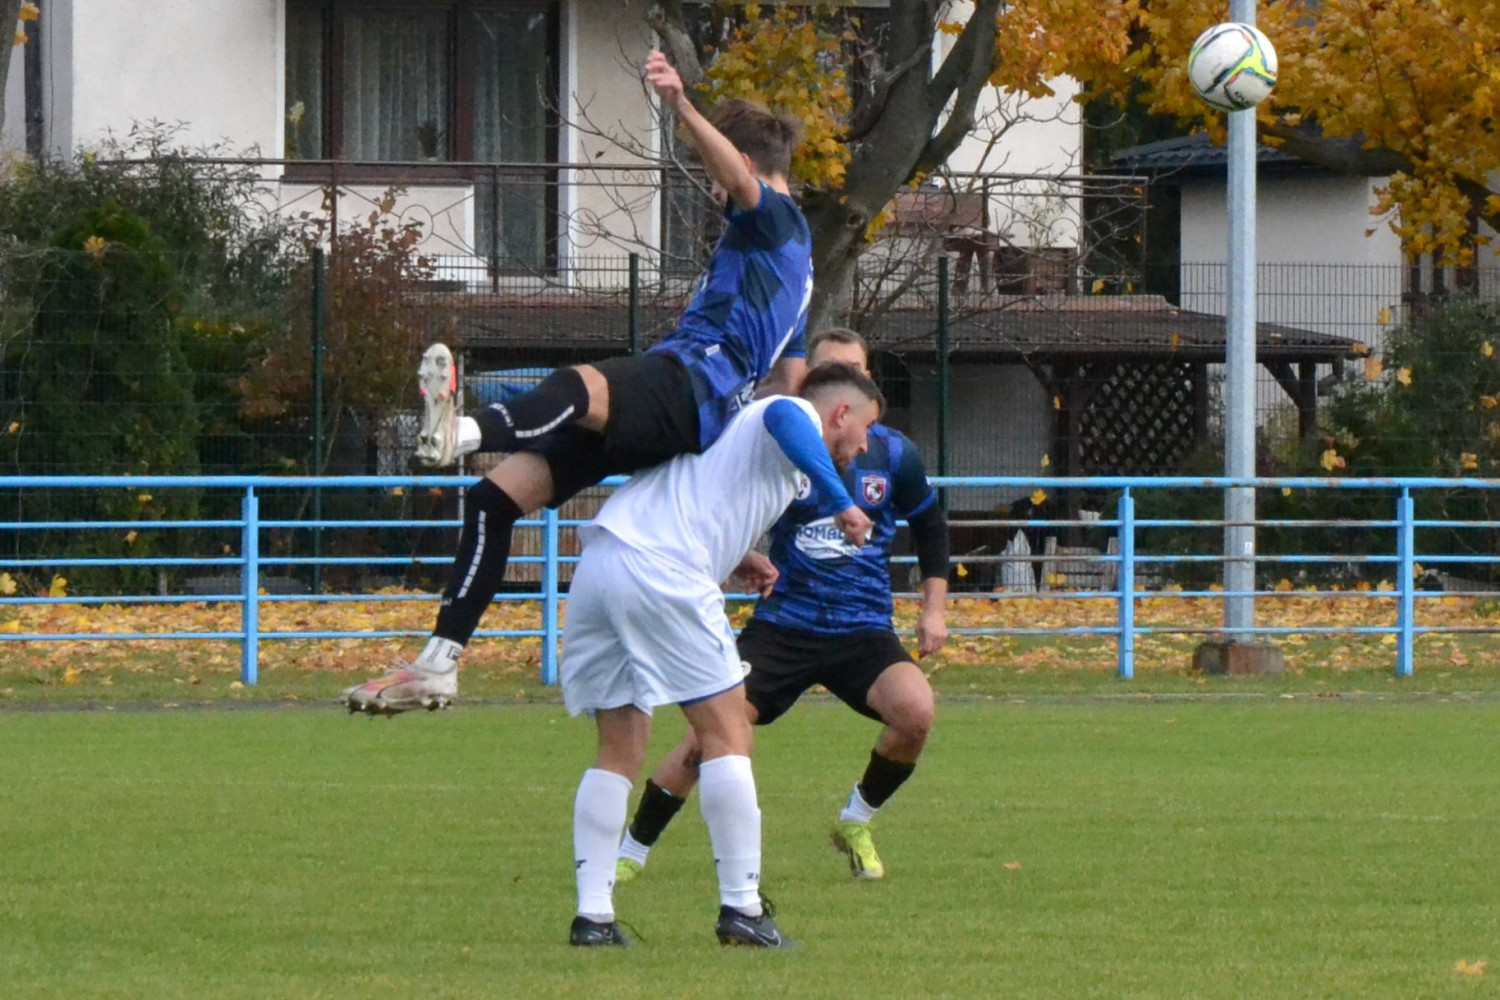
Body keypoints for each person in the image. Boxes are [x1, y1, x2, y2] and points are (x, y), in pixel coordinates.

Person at [345, 50, 874, 715]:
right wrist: (740, 530)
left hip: (689, 385)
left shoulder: (776, 223)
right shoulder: (796, 286)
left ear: (745, 165)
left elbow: (737, 179)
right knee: (493, 502)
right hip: (696, 417)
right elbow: (783, 402)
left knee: (577, 385)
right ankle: (440, 662)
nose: (714, 189)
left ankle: (459, 431)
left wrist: (680, 105)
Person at [561, 362, 885, 947]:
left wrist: (738, 555)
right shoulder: (787, 414)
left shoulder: (751, 441)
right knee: (728, 733)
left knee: (620, 746)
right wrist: (842, 502)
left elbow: (704, 495)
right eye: (865, 428)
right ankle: (742, 910)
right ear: (839, 413)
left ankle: (594, 917)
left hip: (605, 562)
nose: (865, 444)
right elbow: (788, 416)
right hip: (663, 569)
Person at [614, 328, 950, 884]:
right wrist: (743, 555)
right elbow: (715, 509)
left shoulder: (890, 453)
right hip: (783, 627)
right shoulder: (773, 446)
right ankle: (631, 851)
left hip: (863, 629)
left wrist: (933, 608)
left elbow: (932, 530)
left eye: (855, 368)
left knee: (916, 713)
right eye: (828, 369)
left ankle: (855, 822)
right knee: (706, 740)